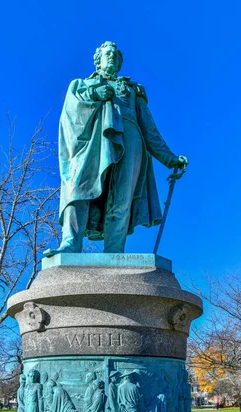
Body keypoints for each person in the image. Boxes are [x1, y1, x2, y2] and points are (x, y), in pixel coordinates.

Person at [44, 41, 188, 256]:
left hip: (131, 141)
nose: (111, 57)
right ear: (97, 60)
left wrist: (169, 158)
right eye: (107, 54)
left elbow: (149, 128)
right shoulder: (80, 85)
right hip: (91, 141)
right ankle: (71, 243)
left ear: (120, 62)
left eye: (115, 55)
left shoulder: (132, 89)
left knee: (122, 197)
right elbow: (69, 116)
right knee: (78, 186)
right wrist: (94, 95)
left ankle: (114, 250)